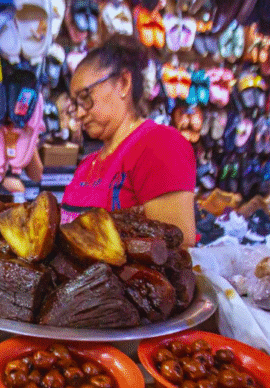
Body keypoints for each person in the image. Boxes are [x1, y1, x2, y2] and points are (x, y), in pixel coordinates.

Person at [60, 35, 197, 246]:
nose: (78, 113)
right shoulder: (87, 165)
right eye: (75, 103)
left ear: (123, 83)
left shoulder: (160, 145)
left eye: (85, 97)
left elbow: (175, 250)